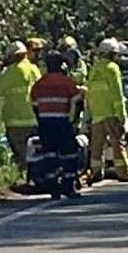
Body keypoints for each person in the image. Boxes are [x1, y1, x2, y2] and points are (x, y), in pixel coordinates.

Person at [30, 52, 84, 199]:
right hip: (63, 122)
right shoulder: (67, 82)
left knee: (49, 155)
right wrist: (73, 121)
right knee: (69, 154)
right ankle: (68, 186)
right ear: (61, 65)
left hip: (45, 123)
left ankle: (53, 188)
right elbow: (78, 102)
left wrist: (41, 121)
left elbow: (35, 105)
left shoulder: (39, 84)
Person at [86, 37, 128, 183]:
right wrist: (122, 114)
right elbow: (117, 93)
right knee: (118, 144)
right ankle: (124, 173)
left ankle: (96, 173)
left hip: (97, 114)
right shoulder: (112, 68)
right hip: (111, 114)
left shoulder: (94, 69)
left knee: (96, 146)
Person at [0, 41, 41, 171]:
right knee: (34, 151)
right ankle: (35, 175)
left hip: (14, 121)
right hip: (33, 119)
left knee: (21, 154)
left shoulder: (7, 73)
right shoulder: (34, 69)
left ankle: (24, 175)